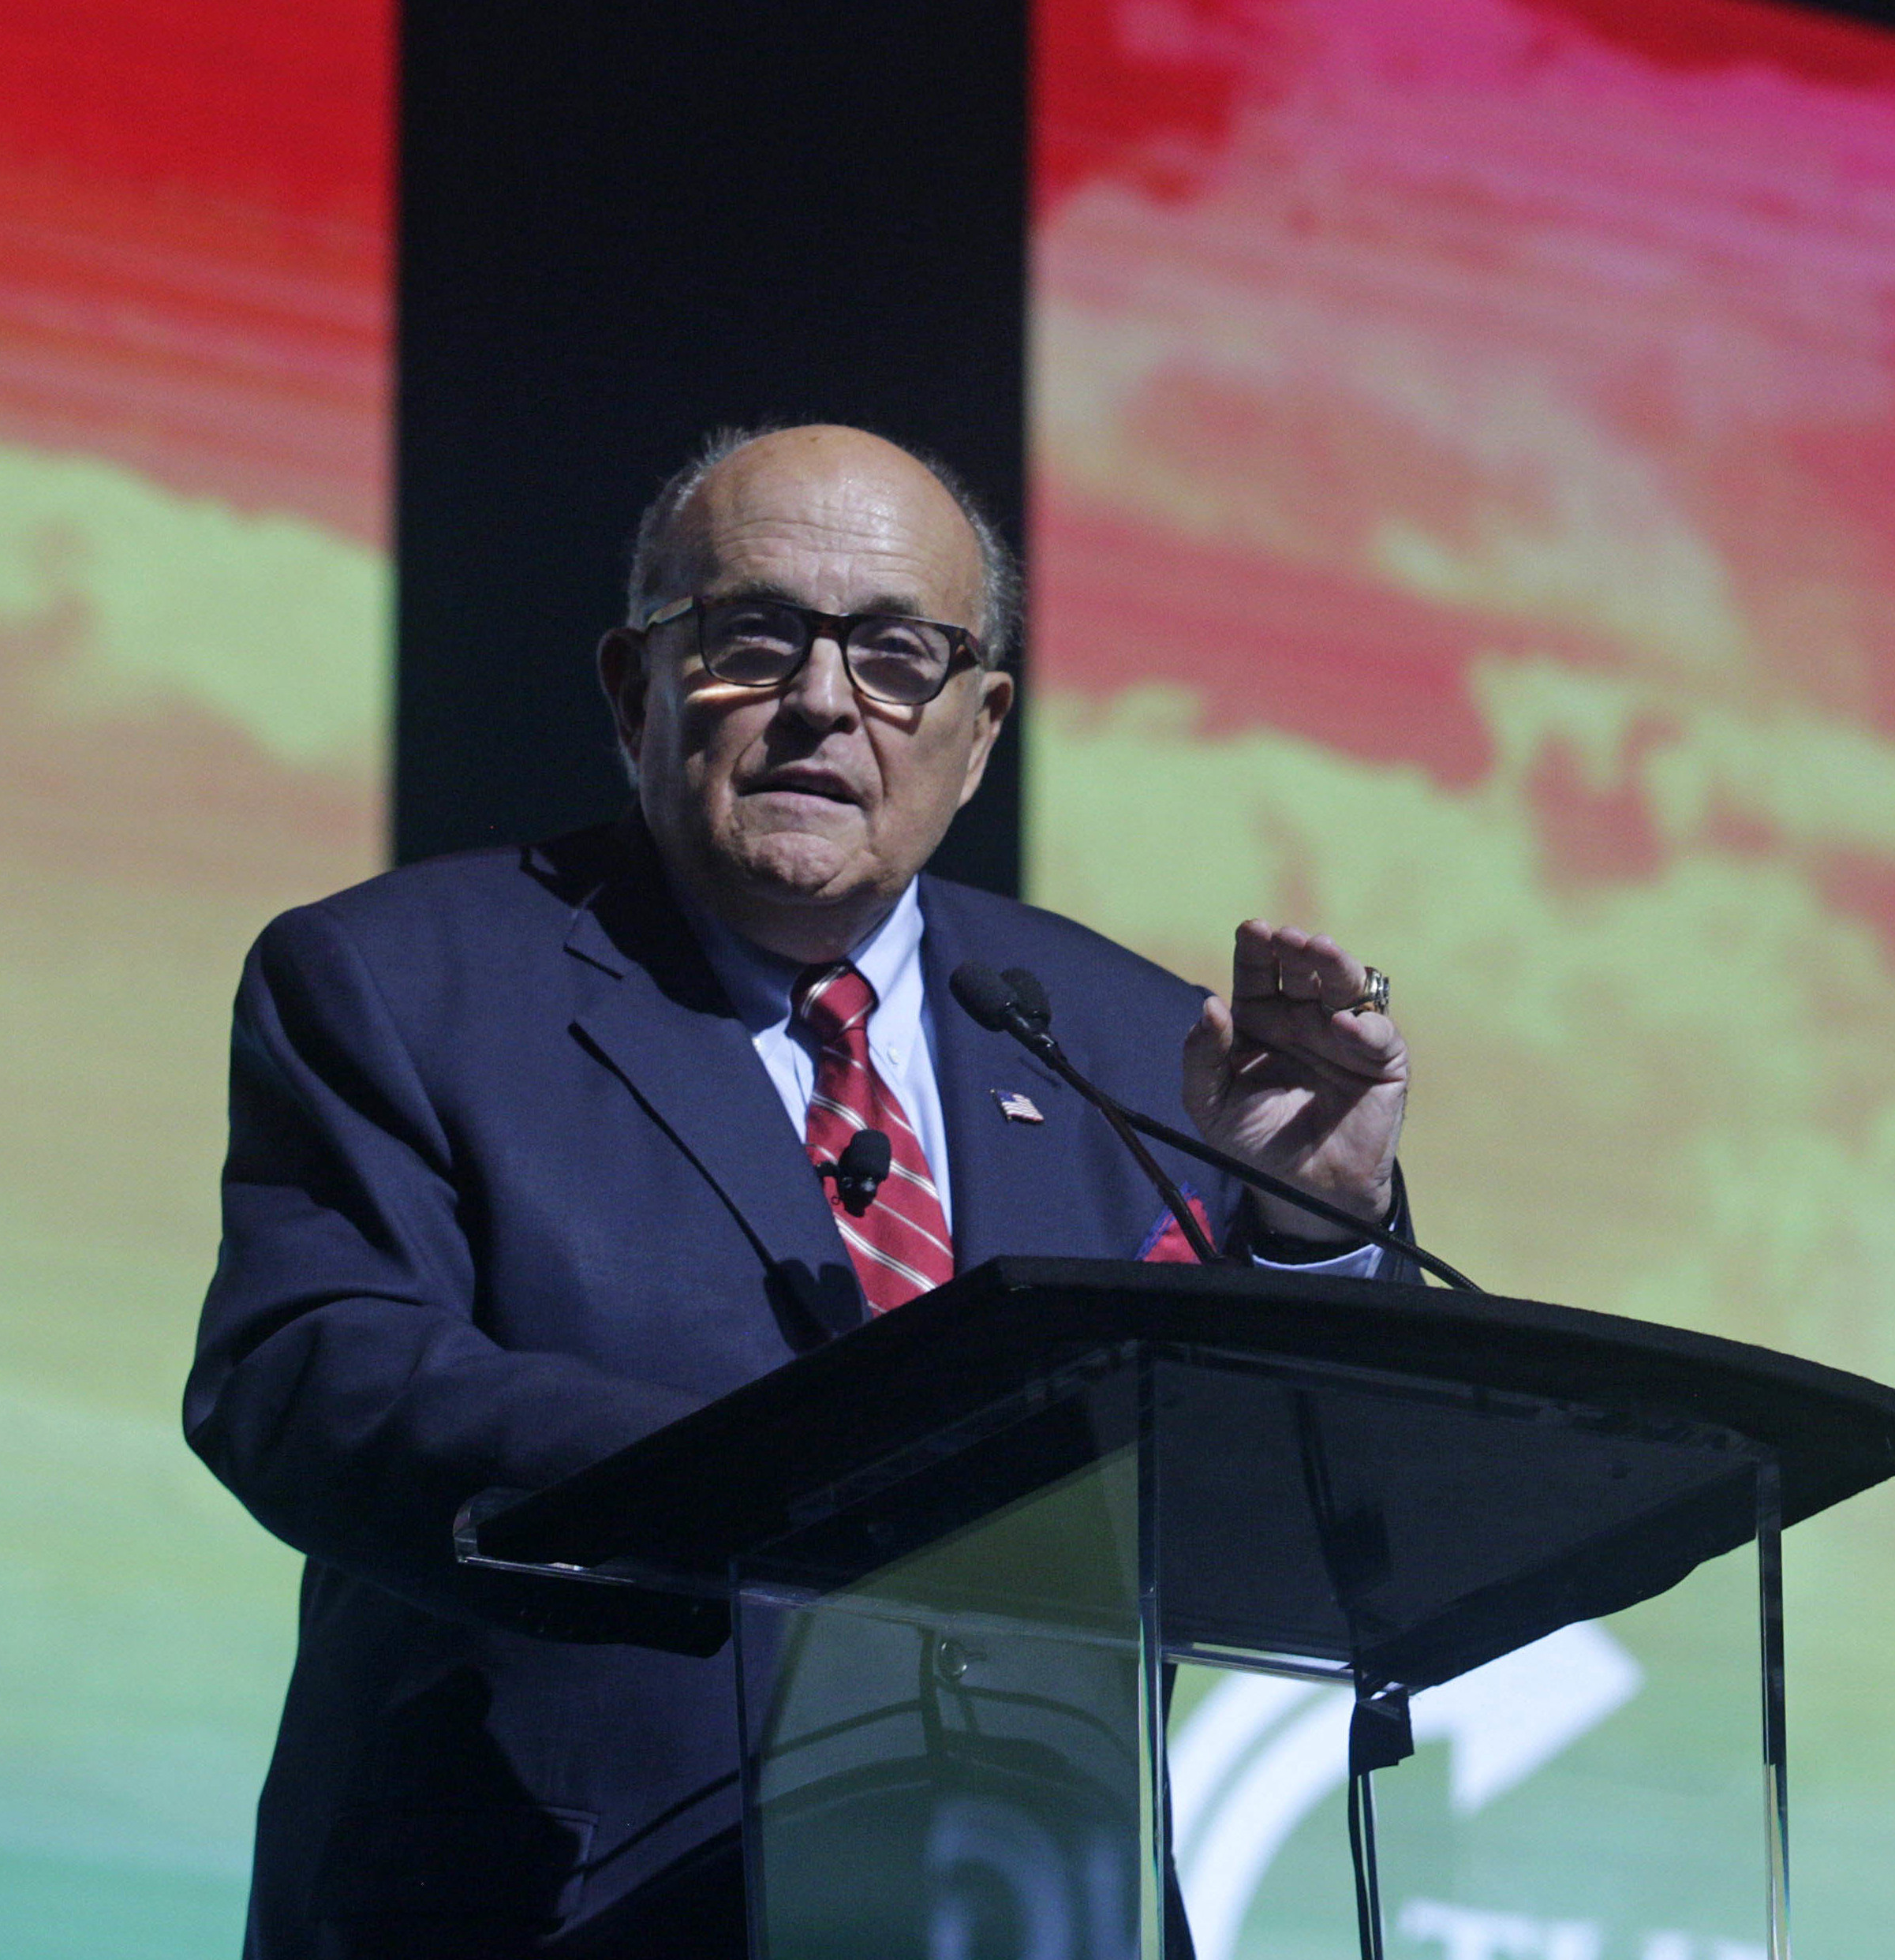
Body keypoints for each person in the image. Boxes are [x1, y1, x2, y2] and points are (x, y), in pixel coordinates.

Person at [185, 424, 1413, 1957]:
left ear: (980, 728)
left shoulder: (1130, 1045)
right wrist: (778, 1494)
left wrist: (1307, 1235)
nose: (824, 702)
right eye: (755, 640)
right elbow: (309, 1379)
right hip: (558, 1910)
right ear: (636, 690)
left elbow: (1307, 1513)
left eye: (900, 656)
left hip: (1029, 1907)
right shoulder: (408, 980)